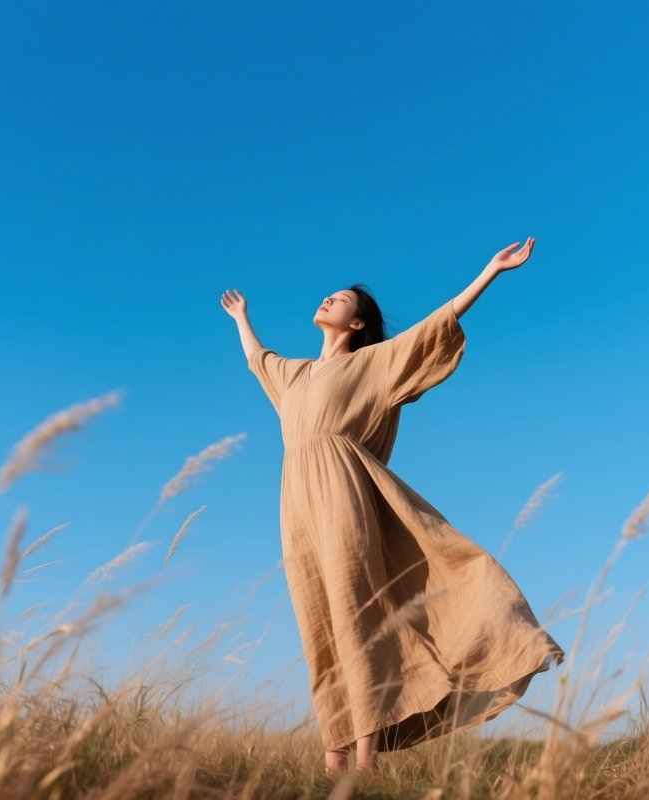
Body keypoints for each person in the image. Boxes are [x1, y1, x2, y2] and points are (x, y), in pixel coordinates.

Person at [221, 237, 565, 778]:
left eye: (340, 299)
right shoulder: (293, 375)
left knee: (356, 616)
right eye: (329, 295)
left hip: (343, 494)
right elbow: (257, 359)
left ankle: (365, 759)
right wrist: (242, 317)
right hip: (296, 504)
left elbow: (432, 328)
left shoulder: (373, 363)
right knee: (318, 620)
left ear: (357, 323)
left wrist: (490, 272)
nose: (328, 299)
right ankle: (333, 758)